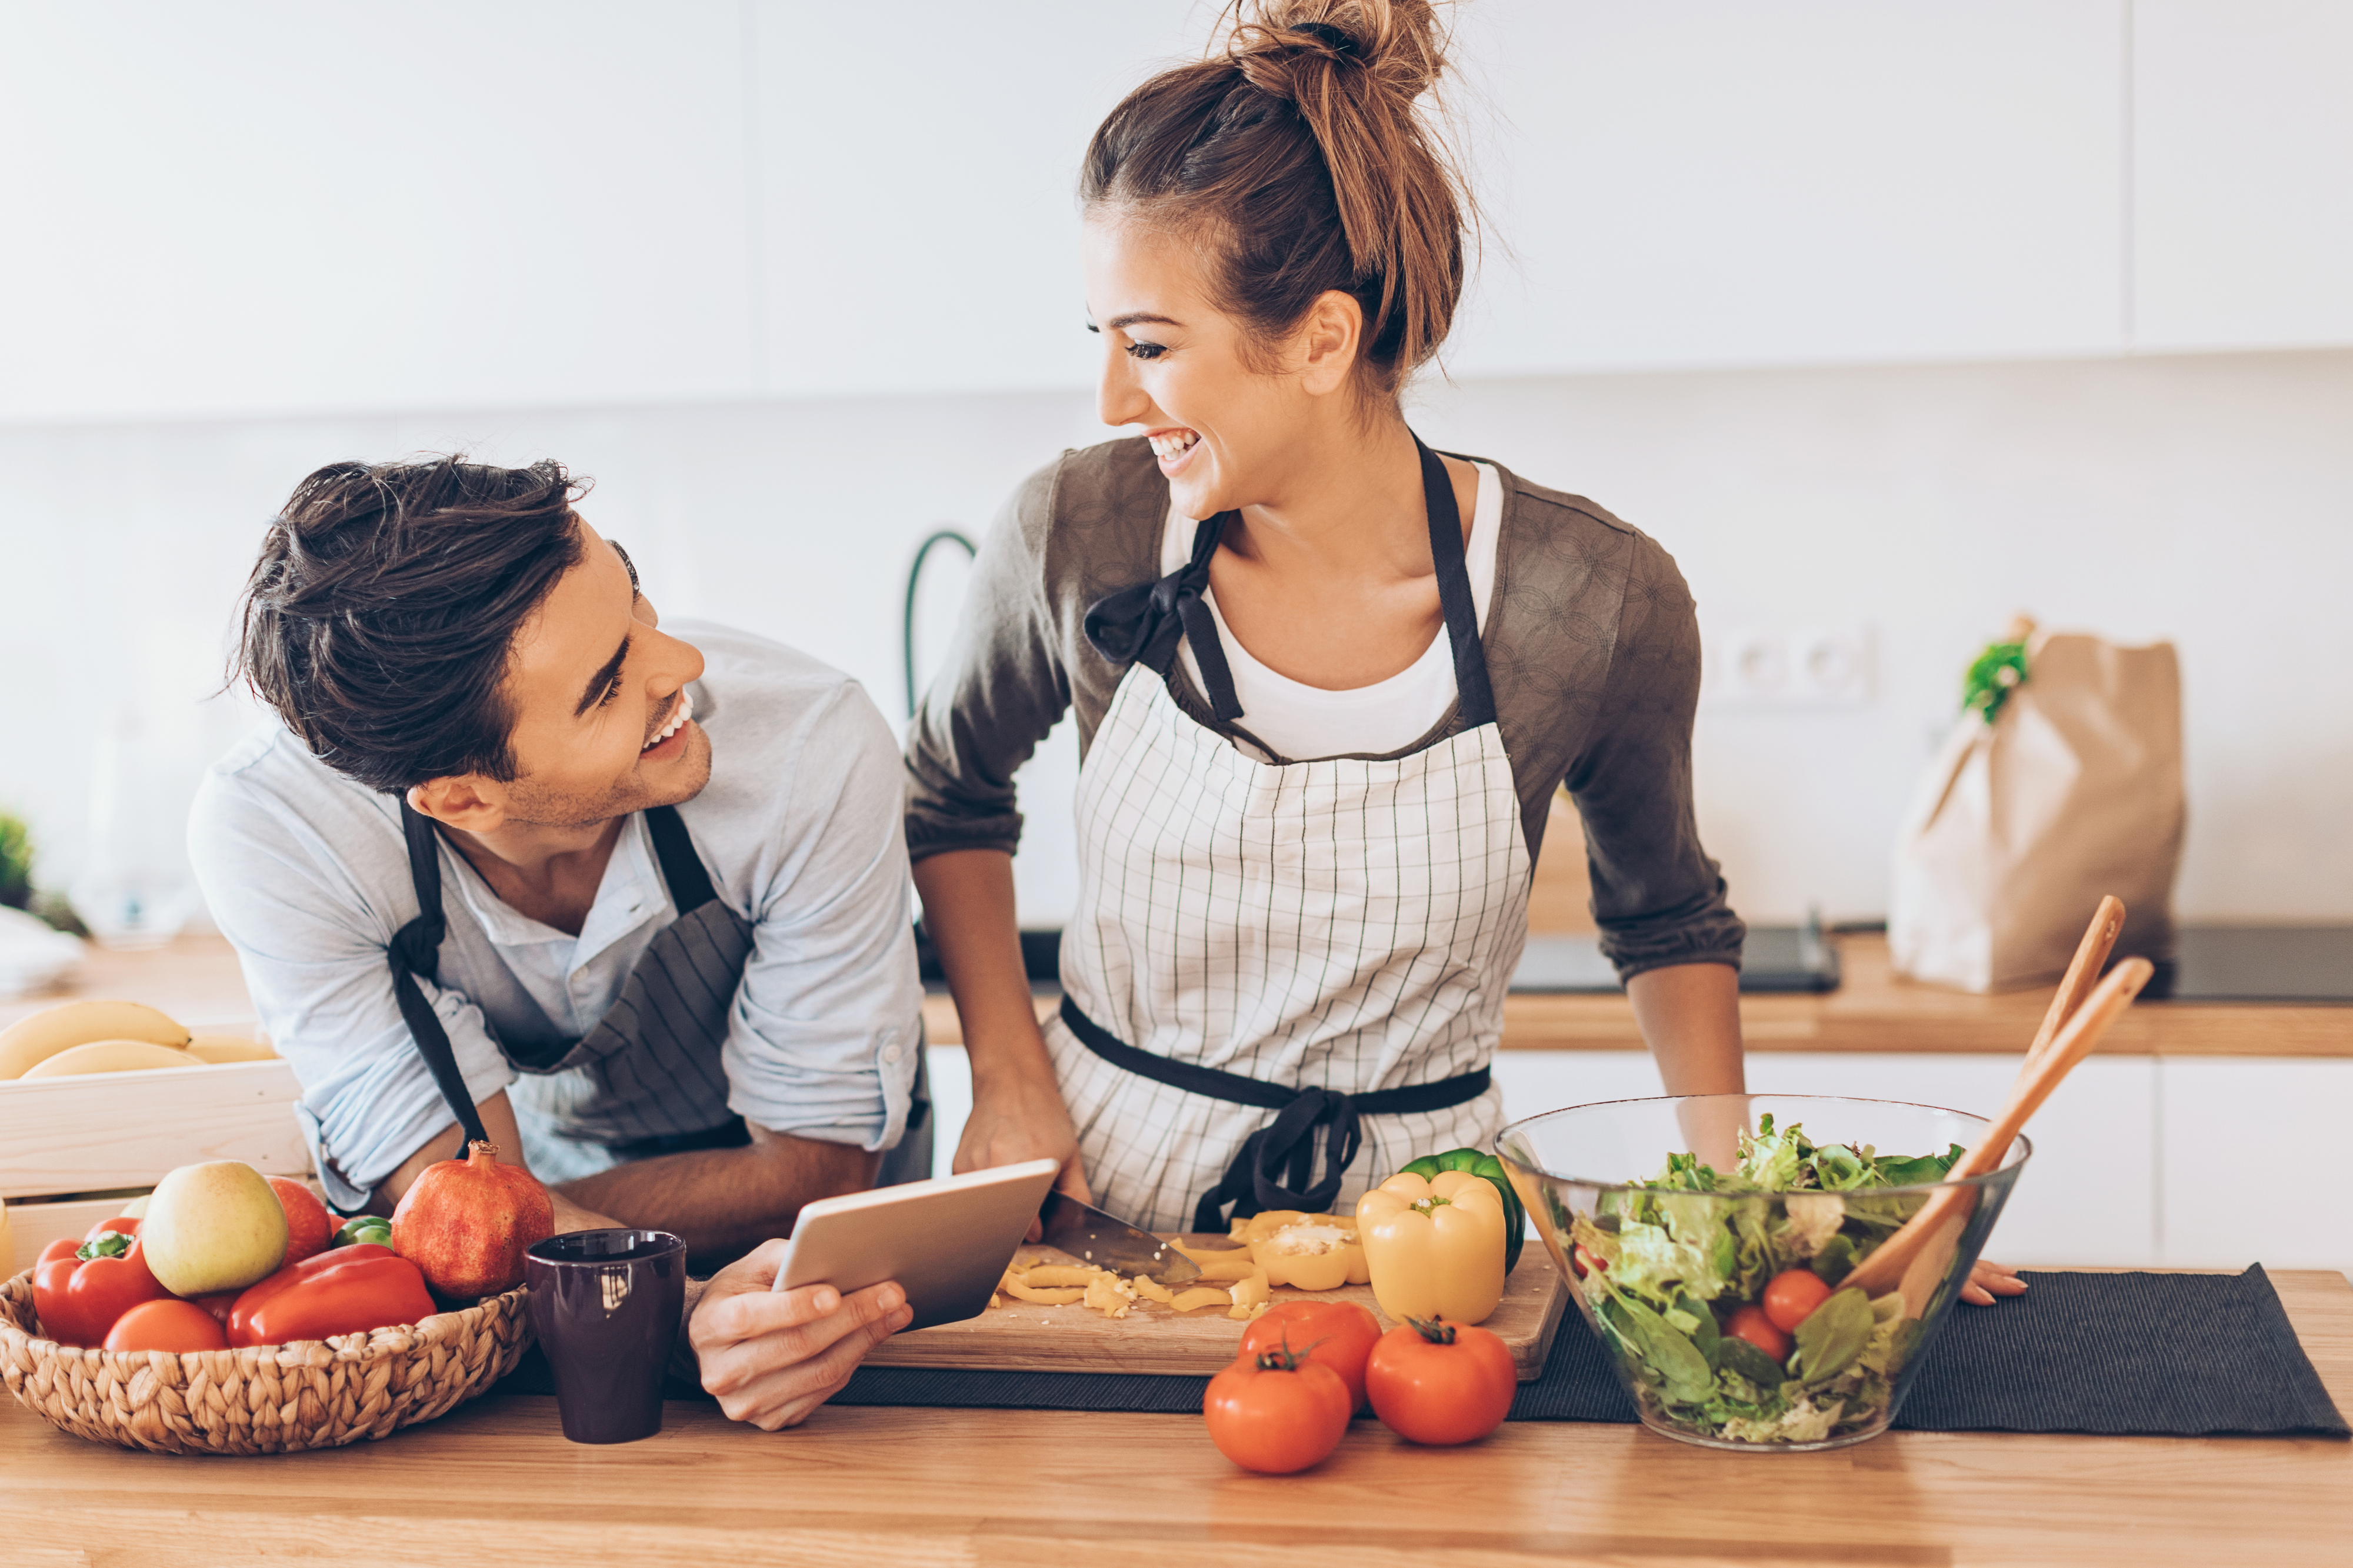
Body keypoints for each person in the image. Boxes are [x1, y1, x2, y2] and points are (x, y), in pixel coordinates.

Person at [905, 0, 2029, 1307]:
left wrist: (1749, 1211)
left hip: (1427, 1249)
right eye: (1098, 338)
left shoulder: (1588, 599)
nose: (1109, 398)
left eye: (1149, 347)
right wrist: (1004, 1075)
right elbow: (948, 795)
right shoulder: (1080, 529)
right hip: (1093, 1220)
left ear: (1322, 339)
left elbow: (1666, 915)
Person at [191, 457, 924, 1427]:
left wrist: (533, 1213)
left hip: (819, 1286)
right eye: (611, 683)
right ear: (463, 797)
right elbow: (461, 1193)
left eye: (633, 597)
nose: (681, 667)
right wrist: (666, 1294)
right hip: (544, 1278)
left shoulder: (811, 746)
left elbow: (815, 1176)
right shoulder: (282, 833)